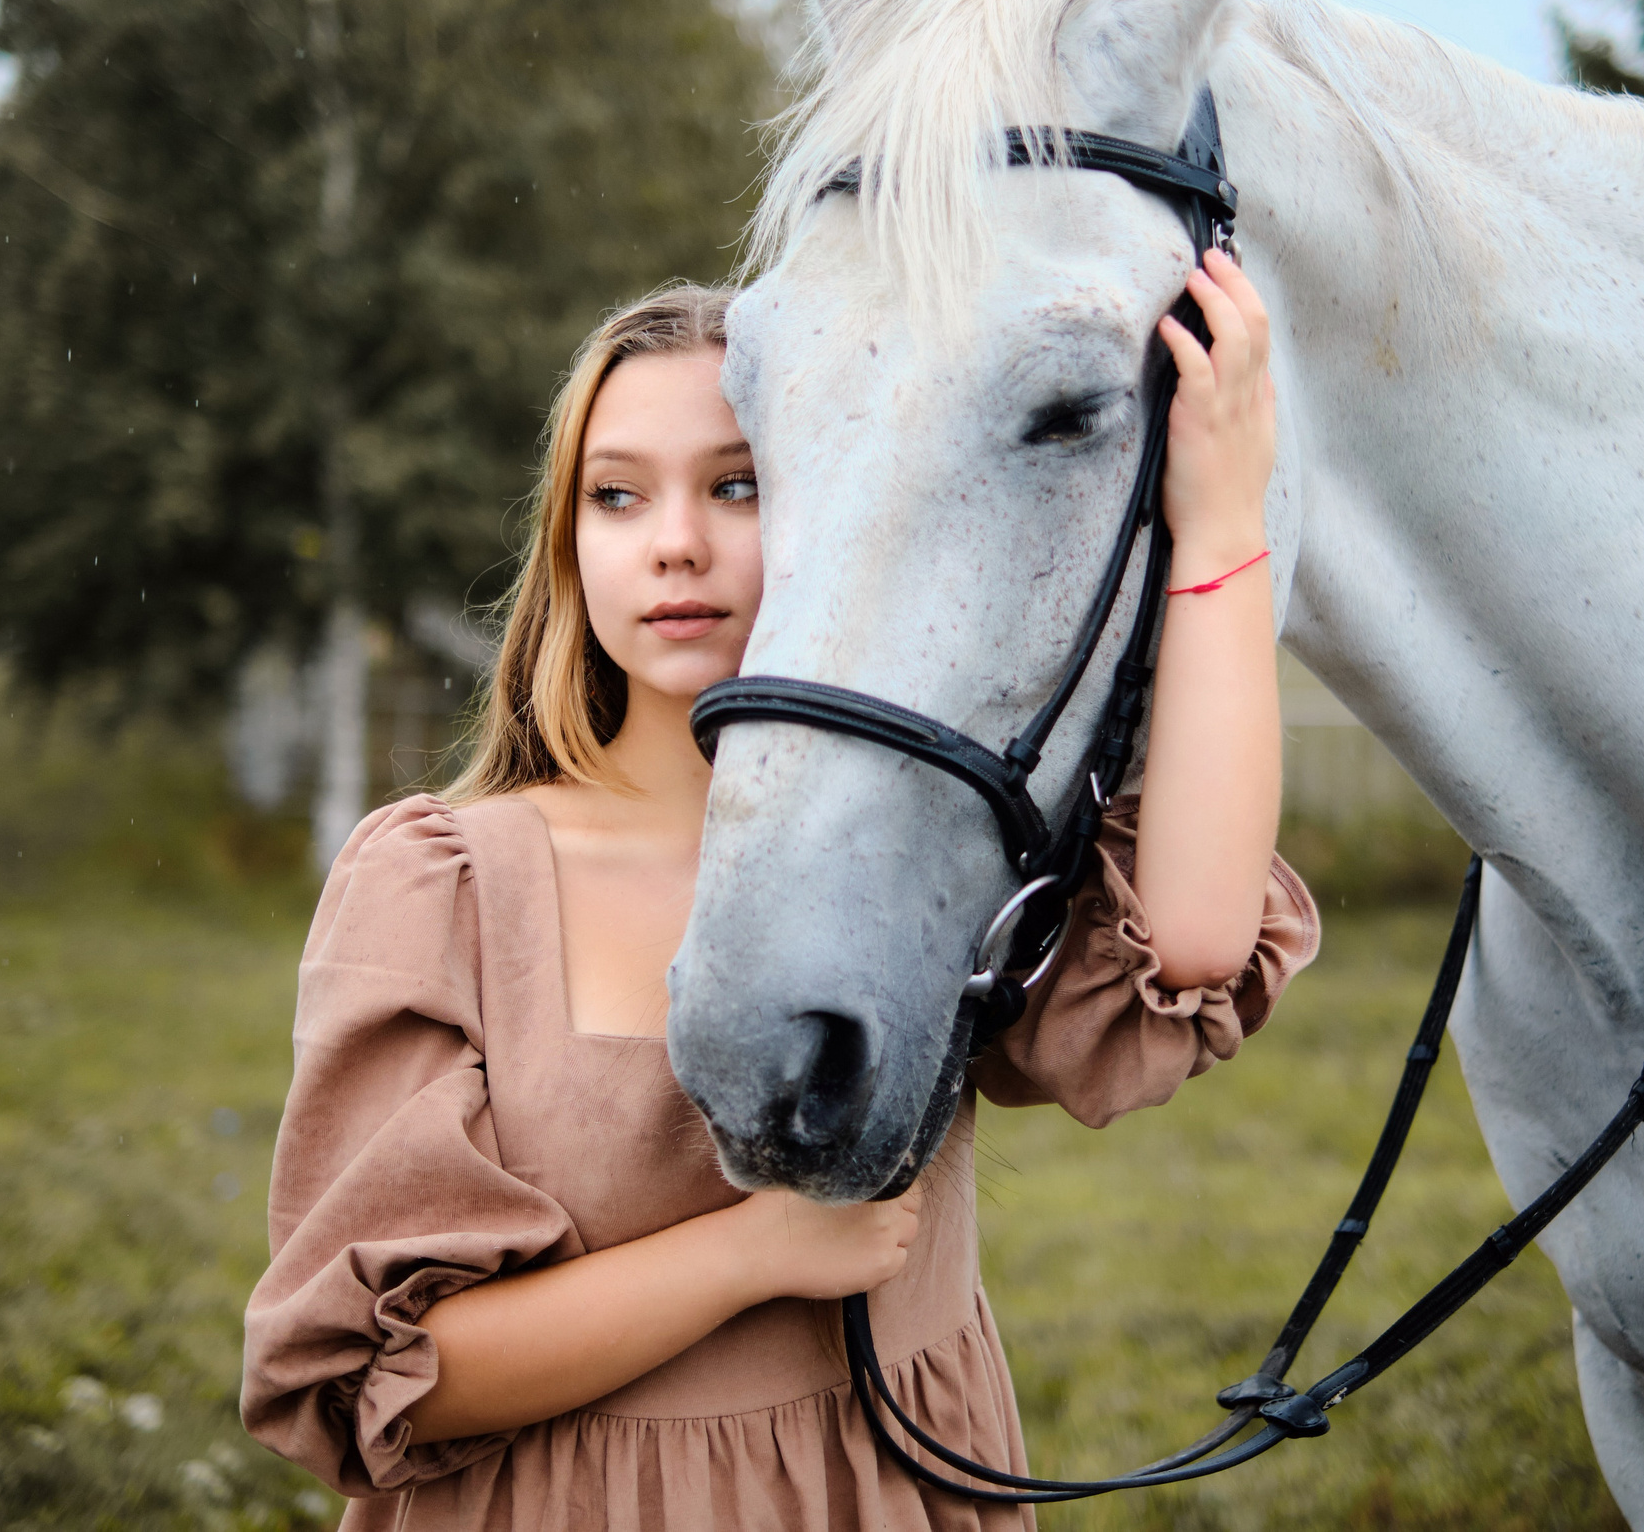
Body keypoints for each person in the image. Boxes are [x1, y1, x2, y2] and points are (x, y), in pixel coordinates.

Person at [241, 256, 1319, 1531]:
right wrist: (751, 1256)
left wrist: (1224, 522)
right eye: (617, 497)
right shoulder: (449, 886)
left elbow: (1190, 941)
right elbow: (384, 1380)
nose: (676, 542)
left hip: (890, 1494)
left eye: (736, 486)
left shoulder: (923, 849)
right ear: (569, 543)